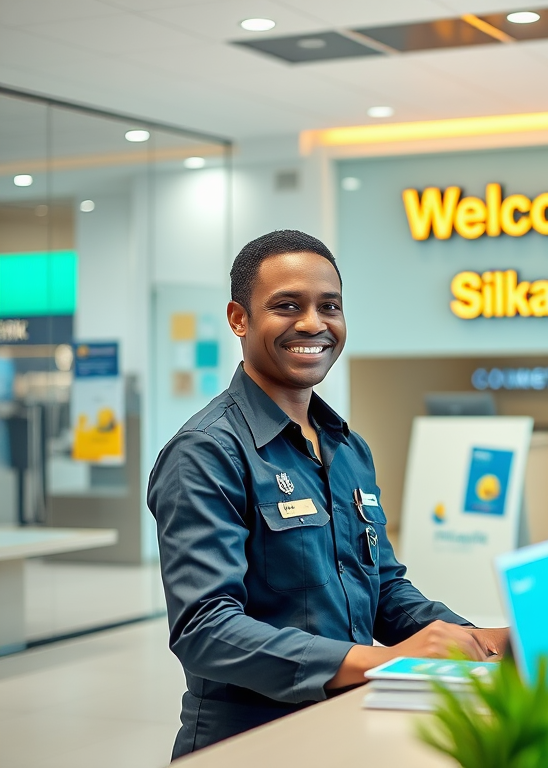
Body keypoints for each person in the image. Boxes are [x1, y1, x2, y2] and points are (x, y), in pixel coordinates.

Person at [148, 230, 508, 758]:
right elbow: (206, 629)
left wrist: (478, 638)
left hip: (344, 722)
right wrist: (384, 661)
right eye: (287, 305)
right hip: (248, 743)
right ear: (238, 319)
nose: (314, 323)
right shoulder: (206, 452)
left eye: (329, 306)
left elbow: (384, 589)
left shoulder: (347, 447)